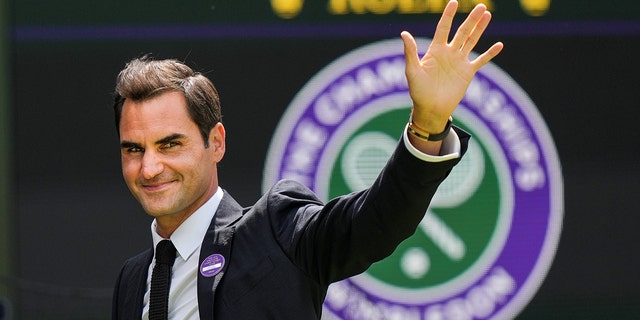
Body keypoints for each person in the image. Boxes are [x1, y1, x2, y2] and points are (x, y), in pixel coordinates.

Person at [111, 1, 504, 319]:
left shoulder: (274, 230)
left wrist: (428, 123)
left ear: (216, 143)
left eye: (169, 145)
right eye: (134, 149)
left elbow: (375, 219)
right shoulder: (132, 281)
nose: (149, 168)